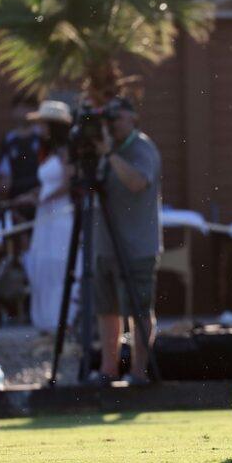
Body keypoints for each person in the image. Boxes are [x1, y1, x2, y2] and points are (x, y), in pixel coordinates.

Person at [90, 96, 162, 386]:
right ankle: (108, 370)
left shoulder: (141, 147)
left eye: (117, 118)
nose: (112, 125)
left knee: (139, 310)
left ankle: (138, 371)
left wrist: (109, 155)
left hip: (137, 247)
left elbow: (137, 182)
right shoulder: (103, 151)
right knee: (106, 309)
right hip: (104, 246)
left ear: (133, 118)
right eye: (108, 121)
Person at [13, 101, 78, 333]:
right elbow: (47, 184)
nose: (39, 127)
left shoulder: (65, 150)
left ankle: (63, 322)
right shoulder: (48, 152)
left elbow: (69, 182)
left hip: (60, 216)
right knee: (42, 266)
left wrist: (43, 198)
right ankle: (46, 323)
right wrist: (31, 196)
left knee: (58, 267)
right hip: (45, 217)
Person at [0, 93, 42, 216]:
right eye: (20, 107)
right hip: (16, 199)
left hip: (39, 196)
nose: (24, 112)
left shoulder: (42, 137)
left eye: (28, 107)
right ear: (13, 110)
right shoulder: (8, 140)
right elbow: (4, 173)